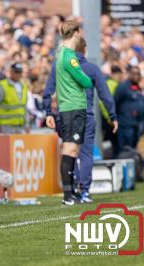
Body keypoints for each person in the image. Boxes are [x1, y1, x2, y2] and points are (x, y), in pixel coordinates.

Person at [43, 37, 118, 203]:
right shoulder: (91, 68)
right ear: (85, 50)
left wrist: (48, 111)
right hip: (86, 114)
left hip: (66, 113)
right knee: (85, 154)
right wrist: (112, 116)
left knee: (70, 152)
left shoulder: (59, 64)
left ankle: (72, 189)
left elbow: (48, 89)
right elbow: (105, 94)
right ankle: (83, 191)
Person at [45, 20, 92, 205]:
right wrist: (86, 78)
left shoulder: (61, 54)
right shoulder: (69, 56)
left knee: (72, 149)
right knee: (70, 149)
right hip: (72, 108)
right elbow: (85, 81)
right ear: (77, 33)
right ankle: (68, 195)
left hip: (69, 108)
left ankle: (71, 192)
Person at [0, 63, 31, 134]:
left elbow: (24, 107)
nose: (18, 74)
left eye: (19, 72)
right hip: (5, 125)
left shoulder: (24, 86)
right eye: (16, 72)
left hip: (20, 125)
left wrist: (27, 124)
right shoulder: (2, 85)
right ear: (11, 72)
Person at [114, 66, 144, 155]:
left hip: (136, 124)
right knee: (125, 151)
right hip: (125, 125)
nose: (136, 76)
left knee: (133, 150)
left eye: (138, 74)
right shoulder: (123, 87)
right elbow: (115, 102)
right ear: (129, 74)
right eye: (134, 74)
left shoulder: (138, 87)